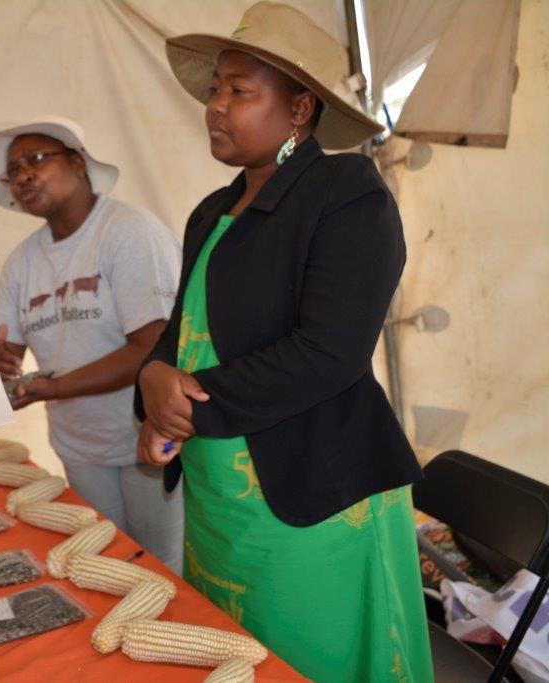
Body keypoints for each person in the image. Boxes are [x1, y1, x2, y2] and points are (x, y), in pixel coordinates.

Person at [134, 3, 432, 681]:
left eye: (240, 90)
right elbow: (182, 333)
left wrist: (187, 407)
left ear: (300, 108)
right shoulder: (211, 211)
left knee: (308, 658)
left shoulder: (347, 193)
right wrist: (152, 385)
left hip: (311, 495)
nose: (216, 106)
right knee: (234, 653)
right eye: (215, 88)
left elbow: (331, 351)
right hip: (220, 496)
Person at [0, 117, 184, 572]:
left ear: (78, 164)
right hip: (79, 444)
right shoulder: (22, 261)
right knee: (109, 566)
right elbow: (2, 355)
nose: (24, 174)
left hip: (148, 439)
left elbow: (153, 347)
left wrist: (55, 388)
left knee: (163, 570)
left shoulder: (129, 232)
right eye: (14, 170)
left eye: (37, 159)